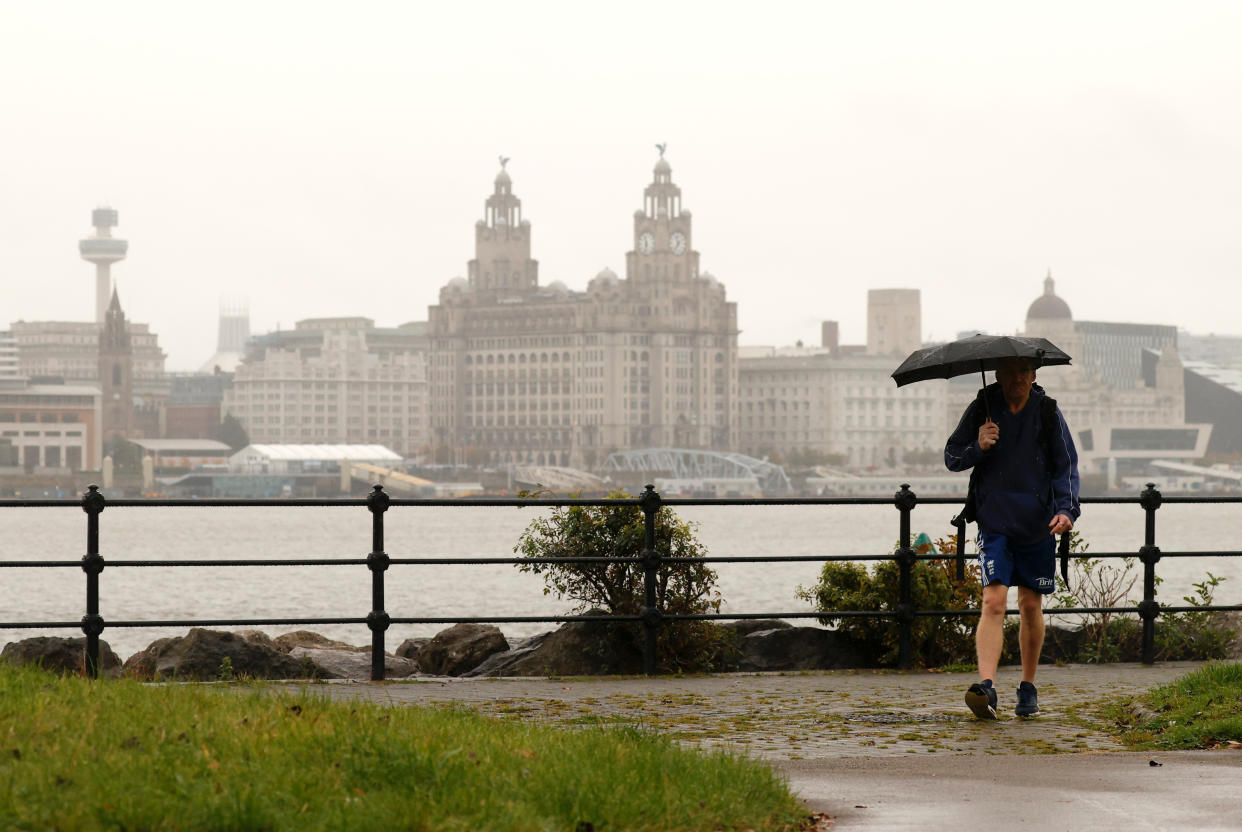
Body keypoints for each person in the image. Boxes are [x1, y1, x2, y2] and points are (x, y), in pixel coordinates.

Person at [945, 356, 1080, 718]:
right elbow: (952, 457)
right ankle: (986, 688)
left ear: (1034, 375)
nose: (1017, 378)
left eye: (1024, 371)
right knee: (993, 601)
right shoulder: (982, 408)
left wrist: (1067, 510)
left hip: (1038, 524)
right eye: (1010, 371)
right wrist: (979, 445)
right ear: (999, 375)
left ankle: (1027, 687)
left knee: (1030, 605)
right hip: (995, 522)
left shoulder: (1048, 412)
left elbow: (1066, 464)